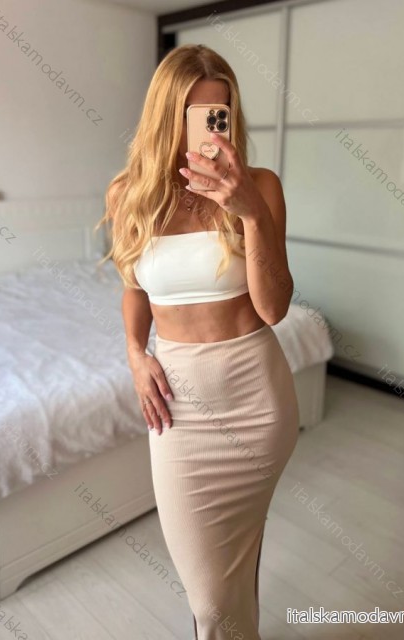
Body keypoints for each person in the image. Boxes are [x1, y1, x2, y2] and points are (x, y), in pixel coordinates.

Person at [97, 43, 300, 640]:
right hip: (180, 410)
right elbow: (134, 290)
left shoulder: (260, 186)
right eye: (198, 116)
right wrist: (135, 354)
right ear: (168, 117)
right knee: (210, 599)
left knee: (232, 568)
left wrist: (251, 214)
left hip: (258, 400)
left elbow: (274, 308)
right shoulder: (128, 194)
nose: (212, 133)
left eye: (221, 115)